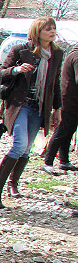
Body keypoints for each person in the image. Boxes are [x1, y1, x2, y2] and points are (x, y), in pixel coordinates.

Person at [0, 17, 63, 206]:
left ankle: (13, 183)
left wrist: (57, 108)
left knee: (27, 149)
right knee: (19, 145)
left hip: (40, 107)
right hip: (20, 104)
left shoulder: (57, 53)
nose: (52, 32)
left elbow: (55, 83)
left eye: (54, 28)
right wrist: (17, 70)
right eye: (47, 29)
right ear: (37, 31)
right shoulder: (21, 50)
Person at [42, 43, 78, 172]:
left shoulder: (73, 53)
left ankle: (64, 161)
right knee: (63, 130)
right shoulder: (77, 56)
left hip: (71, 100)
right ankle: (48, 161)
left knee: (69, 130)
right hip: (70, 101)